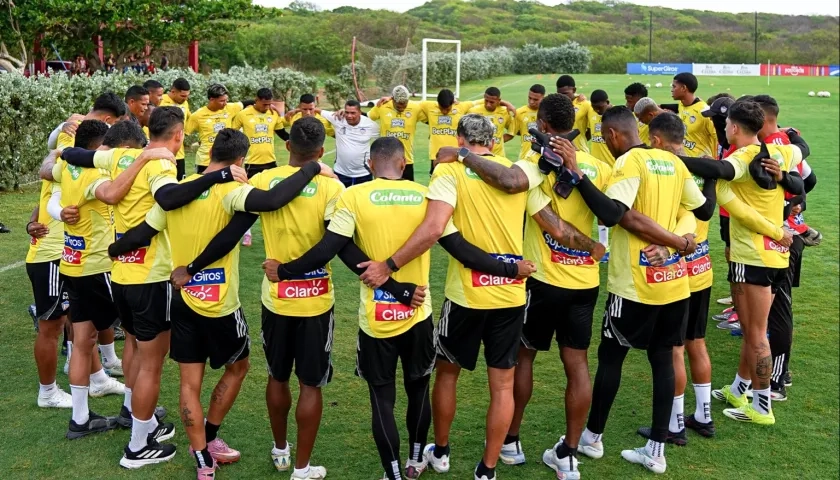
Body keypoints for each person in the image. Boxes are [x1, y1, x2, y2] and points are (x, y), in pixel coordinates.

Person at [264, 136, 536, 480]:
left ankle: (392, 473)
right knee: (418, 389)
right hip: (418, 314)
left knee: (382, 397)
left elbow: (332, 247)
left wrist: (285, 271)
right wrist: (509, 269)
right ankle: (415, 459)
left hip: (376, 321)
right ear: (404, 163)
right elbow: (459, 248)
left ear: (369, 165)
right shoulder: (426, 196)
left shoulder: (353, 196)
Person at [357, 114, 604, 480]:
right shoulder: (520, 172)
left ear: (460, 139)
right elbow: (555, 226)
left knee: (447, 374)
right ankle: (487, 469)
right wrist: (591, 245)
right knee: (502, 385)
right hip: (510, 297)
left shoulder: (448, 170)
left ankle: (441, 452)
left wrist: (390, 265)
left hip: (466, 296)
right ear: (494, 141)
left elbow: (435, 228)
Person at [109, 127, 335, 478]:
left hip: (183, 300)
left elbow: (143, 232)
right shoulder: (234, 191)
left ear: (211, 152)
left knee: (189, 383)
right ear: (241, 160)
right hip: (221, 304)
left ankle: (203, 460)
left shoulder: (181, 189)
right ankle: (210, 435)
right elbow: (272, 201)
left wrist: (115, 249)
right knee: (238, 367)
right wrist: (312, 168)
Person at [549, 106, 713, 474]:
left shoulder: (631, 161)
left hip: (635, 285)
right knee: (663, 359)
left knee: (611, 358)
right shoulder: (675, 163)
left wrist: (578, 176)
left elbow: (613, 213)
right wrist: (677, 241)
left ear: (610, 135)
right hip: (674, 283)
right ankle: (657, 449)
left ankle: (592, 437)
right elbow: (701, 211)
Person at [41, 120, 175, 439]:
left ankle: (80, 419)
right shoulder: (98, 173)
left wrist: (57, 156)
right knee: (134, 339)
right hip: (98, 264)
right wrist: (143, 159)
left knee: (81, 341)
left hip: (72, 263)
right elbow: (112, 194)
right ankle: (133, 412)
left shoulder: (68, 166)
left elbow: (46, 171)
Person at [676, 100, 804, 426]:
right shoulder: (780, 152)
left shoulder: (742, 158)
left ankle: (762, 407)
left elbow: (725, 178)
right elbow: (801, 155)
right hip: (775, 257)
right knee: (752, 331)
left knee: (756, 334)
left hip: (753, 256)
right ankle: (739, 389)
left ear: (734, 127)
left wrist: (675, 158)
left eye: (726, 124)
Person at [632, 112, 719, 447]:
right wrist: (712, 175)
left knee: (674, 350)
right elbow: (707, 210)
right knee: (698, 342)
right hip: (702, 268)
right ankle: (705, 416)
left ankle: (675, 424)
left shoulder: (669, 170)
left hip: (679, 271)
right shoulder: (704, 169)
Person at [25, 123, 110, 410]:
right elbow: (48, 187)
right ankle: (48, 392)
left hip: (71, 253)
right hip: (50, 254)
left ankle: (98, 378)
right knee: (52, 326)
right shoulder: (67, 156)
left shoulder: (77, 163)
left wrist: (34, 220)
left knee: (80, 320)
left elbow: (45, 195)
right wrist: (54, 215)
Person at [752, 95, 817, 400]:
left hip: (782, 239)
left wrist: (789, 206)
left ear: (762, 118)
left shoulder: (772, 148)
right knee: (775, 306)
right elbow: (809, 180)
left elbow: (804, 184)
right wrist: (796, 200)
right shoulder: (787, 144)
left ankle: (779, 378)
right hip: (785, 233)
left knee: (779, 308)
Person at [231, 87, 287, 245]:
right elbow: (233, 134)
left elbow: (283, 134)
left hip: (270, 162)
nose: (267, 107)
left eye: (269, 104)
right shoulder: (243, 114)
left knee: (275, 198)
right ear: (256, 100)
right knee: (246, 198)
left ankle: (276, 232)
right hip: (250, 164)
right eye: (264, 104)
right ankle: (246, 233)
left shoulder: (273, 114)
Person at [369, 86, 425, 181]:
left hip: (406, 160)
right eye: (399, 106)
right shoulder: (382, 106)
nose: (402, 108)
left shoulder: (415, 108)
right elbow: (365, 117)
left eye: (404, 106)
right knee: (385, 189)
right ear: (393, 100)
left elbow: (432, 115)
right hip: (385, 160)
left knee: (407, 189)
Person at [185, 83, 244, 174]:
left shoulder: (230, 108)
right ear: (212, 99)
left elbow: (246, 103)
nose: (225, 103)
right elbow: (184, 133)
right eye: (222, 101)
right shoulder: (197, 115)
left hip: (225, 160)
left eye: (226, 100)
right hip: (205, 161)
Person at [321, 99, 380, 187]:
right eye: (347, 112)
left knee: (362, 196)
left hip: (363, 172)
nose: (349, 116)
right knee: (340, 195)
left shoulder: (370, 125)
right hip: (341, 172)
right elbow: (317, 110)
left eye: (353, 113)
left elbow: (382, 141)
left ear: (360, 112)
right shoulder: (338, 118)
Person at [419, 89, 474, 175]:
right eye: (441, 108)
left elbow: (478, 102)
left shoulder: (460, 107)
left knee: (456, 179)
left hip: (455, 155)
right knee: (436, 179)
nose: (444, 112)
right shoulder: (429, 106)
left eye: (447, 109)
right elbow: (411, 104)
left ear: (452, 103)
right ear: (438, 103)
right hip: (436, 155)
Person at [665, 73, 717, 158]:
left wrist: (715, 160)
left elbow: (717, 138)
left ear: (683, 88)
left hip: (700, 162)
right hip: (684, 160)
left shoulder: (704, 112)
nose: (672, 90)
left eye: (674, 87)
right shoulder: (682, 104)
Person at [54, 92, 127, 150]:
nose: (113, 126)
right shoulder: (71, 129)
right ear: (106, 120)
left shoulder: (70, 126)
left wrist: (61, 126)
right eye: (115, 122)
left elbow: (51, 146)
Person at [467, 87, 516, 158]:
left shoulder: (505, 112)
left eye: (492, 102)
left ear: (499, 100)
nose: (488, 104)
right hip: (479, 156)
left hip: (499, 156)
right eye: (486, 101)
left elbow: (511, 133)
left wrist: (498, 142)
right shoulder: (473, 111)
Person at [160, 78, 192, 180]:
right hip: (162, 152)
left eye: (187, 96)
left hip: (179, 154)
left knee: (180, 183)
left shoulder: (185, 103)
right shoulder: (161, 101)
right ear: (173, 91)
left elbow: (189, 118)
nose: (185, 99)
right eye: (182, 96)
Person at [556, 75, 591, 153]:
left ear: (574, 90)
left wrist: (581, 139)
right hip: (561, 152)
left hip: (580, 152)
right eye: (559, 94)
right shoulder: (556, 104)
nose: (562, 97)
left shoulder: (585, 105)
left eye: (565, 93)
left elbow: (591, 129)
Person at [514, 84, 545, 160]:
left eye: (535, 100)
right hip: (525, 158)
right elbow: (516, 132)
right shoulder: (519, 112)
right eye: (529, 98)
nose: (531, 102)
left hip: (543, 158)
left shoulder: (547, 112)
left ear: (543, 98)